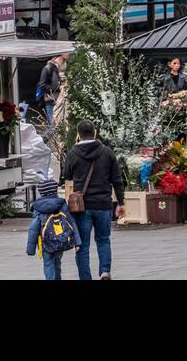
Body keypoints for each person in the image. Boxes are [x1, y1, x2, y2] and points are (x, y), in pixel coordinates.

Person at [60, 120, 125, 281]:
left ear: (78, 134)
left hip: (82, 207)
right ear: (95, 132)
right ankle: (104, 271)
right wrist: (121, 202)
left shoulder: (73, 153)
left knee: (82, 245)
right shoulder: (107, 152)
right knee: (103, 240)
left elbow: (66, 175)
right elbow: (117, 179)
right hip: (103, 203)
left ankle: (85, 277)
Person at [25, 178, 81, 280]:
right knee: (57, 262)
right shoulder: (62, 204)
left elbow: (33, 228)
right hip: (61, 239)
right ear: (55, 190)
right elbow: (72, 222)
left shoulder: (38, 207)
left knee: (48, 263)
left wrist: (30, 248)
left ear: (41, 192)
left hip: (45, 242)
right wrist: (77, 242)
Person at [36, 53, 67, 127]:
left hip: (61, 102)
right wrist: (57, 87)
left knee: (60, 126)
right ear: (56, 57)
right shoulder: (48, 68)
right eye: (62, 59)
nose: (63, 62)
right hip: (51, 102)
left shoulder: (60, 69)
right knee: (53, 127)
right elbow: (42, 86)